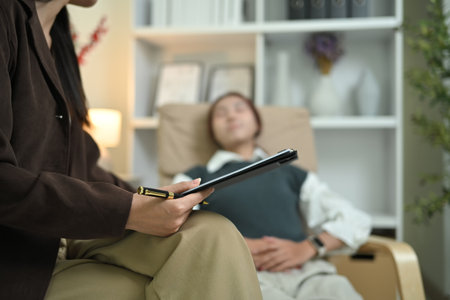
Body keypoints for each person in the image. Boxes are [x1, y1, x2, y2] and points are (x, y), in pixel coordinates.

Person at [0, 1, 263, 299]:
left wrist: (146, 199)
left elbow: (80, 165)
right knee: (173, 282)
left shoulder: (57, 38)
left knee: (214, 234)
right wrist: (127, 211)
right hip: (17, 258)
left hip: (60, 235)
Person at [173, 92, 372, 300]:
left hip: (309, 275)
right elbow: (174, 223)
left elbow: (355, 220)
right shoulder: (196, 178)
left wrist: (309, 247)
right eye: (221, 114)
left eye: (240, 109)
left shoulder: (293, 173)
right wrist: (233, 246)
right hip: (242, 277)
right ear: (212, 132)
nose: (231, 116)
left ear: (257, 124)